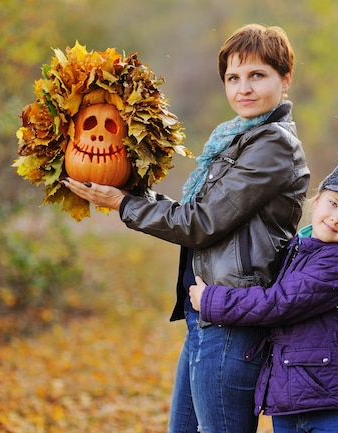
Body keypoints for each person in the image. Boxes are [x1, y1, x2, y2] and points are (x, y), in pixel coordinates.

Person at [61, 23, 309, 433]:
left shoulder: (273, 146)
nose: (243, 88)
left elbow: (200, 223)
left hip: (233, 320)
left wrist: (123, 204)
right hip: (207, 314)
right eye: (233, 78)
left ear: (285, 80)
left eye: (257, 75)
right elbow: (195, 211)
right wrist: (129, 191)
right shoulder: (235, 139)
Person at [189, 163, 338, 433]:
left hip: (330, 406)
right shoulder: (297, 249)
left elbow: (278, 303)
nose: (337, 218)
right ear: (316, 200)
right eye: (333, 203)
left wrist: (212, 300)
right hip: (290, 404)